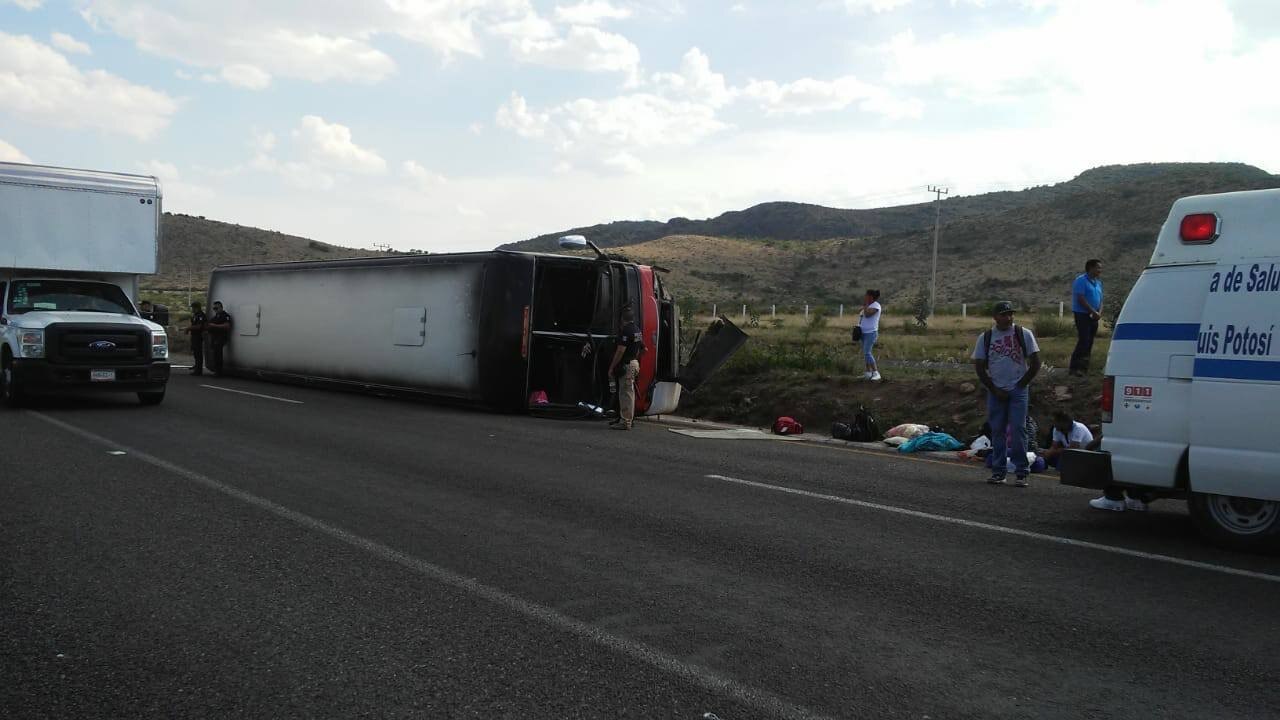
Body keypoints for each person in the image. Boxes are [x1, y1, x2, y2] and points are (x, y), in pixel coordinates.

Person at [973, 301, 1042, 487]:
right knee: (997, 431)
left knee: (1019, 430)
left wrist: (1021, 385)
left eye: (1010, 314)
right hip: (996, 390)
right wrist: (994, 388)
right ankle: (999, 471)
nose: (1008, 318)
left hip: (1018, 390)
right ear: (995, 317)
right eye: (1004, 314)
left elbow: (1036, 362)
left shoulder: (1023, 334)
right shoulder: (986, 337)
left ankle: (1021, 472)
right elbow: (979, 366)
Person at [606, 306, 645, 431]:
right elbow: (644, 349)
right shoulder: (637, 330)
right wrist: (635, 359)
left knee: (626, 393)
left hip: (627, 365)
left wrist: (612, 367)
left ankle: (626, 422)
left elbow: (620, 351)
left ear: (622, 319)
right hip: (634, 363)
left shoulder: (625, 331)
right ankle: (625, 418)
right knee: (627, 392)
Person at [1069, 259, 1104, 377]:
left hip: (1094, 316)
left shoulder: (1098, 283)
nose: (1100, 270)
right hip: (1082, 315)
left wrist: (1099, 312)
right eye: (1098, 267)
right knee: (1083, 340)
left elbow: (1101, 299)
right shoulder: (1081, 281)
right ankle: (1074, 368)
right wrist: (1093, 311)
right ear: (1090, 268)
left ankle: (1084, 368)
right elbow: (1081, 299)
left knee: (1090, 341)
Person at [858, 289, 882, 382]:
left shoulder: (876, 306)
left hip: (871, 333)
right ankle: (868, 373)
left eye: (866, 295)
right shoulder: (869, 305)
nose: (864, 297)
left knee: (867, 352)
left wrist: (866, 305)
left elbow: (867, 314)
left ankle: (876, 372)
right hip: (863, 332)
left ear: (870, 297)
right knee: (866, 353)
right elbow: (862, 314)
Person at [206, 301, 233, 376]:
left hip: (221, 337)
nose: (215, 309)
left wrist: (214, 325)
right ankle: (216, 370)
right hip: (214, 337)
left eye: (216, 308)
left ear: (221, 307)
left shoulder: (225, 316)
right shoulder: (215, 317)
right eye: (214, 308)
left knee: (218, 355)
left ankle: (219, 371)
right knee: (215, 355)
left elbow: (227, 326)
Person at [185, 301, 207, 376]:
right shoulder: (195, 315)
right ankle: (196, 365)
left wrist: (189, 328)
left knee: (198, 353)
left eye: (193, 308)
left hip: (199, 336)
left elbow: (199, 326)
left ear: (196, 308)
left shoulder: (201, 315)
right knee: (195, 352)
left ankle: (198, 370)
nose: (192, 309)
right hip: (194, 335)